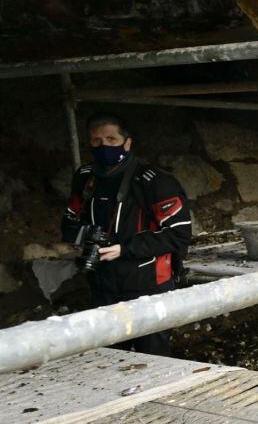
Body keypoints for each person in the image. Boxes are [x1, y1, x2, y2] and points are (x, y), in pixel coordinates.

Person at [61, 112, 192, 356]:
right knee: (110, 359)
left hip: (148, 286)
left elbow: (179, 235)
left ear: (127, 143)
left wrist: (125, 248)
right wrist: (84, 235)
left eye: (111, 139)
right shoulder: (85, 178)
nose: (104, 146)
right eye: (97, 141)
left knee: (154, 360)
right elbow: (68, 221)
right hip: (103, 285)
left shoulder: (154, 181)